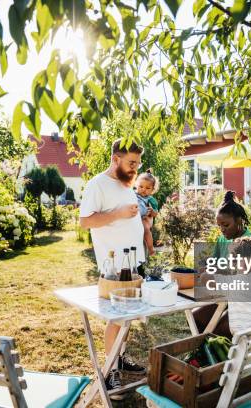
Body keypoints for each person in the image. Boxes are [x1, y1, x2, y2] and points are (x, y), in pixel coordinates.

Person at [79, 138, 147, 398]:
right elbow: (85, 221)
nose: (135, 168)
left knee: (126, 318)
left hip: (132, 263)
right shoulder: (98, 184)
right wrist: (118, 214)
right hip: (114, 268)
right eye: (131, 163)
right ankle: (110, 372)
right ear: (115, 159)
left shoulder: (125, 183)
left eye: (138, 164)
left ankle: (119, 357)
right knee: (116, 319)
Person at [193, 190, 251, 337]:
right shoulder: (223, 239)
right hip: (228, 296)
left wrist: (214, 275)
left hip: (245, 305)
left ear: (239, 220)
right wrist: (210, 267)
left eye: (226, 224)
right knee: (196, 317)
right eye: (219, 226)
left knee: (212, 330)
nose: (222, 229)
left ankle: (217, 353)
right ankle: (207, 353)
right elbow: (217, 265)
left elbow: (250, 277)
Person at [135, 169, 159, 256]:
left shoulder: (150, 199)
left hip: (145, 219)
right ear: (136, 185)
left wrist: (152, 212)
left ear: (153, 190)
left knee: (145, 228)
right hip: (135, 218)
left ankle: (151, 248)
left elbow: (155, 213)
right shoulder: (133, 194)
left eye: (148, 188)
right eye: (141, 187)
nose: (144, 190)